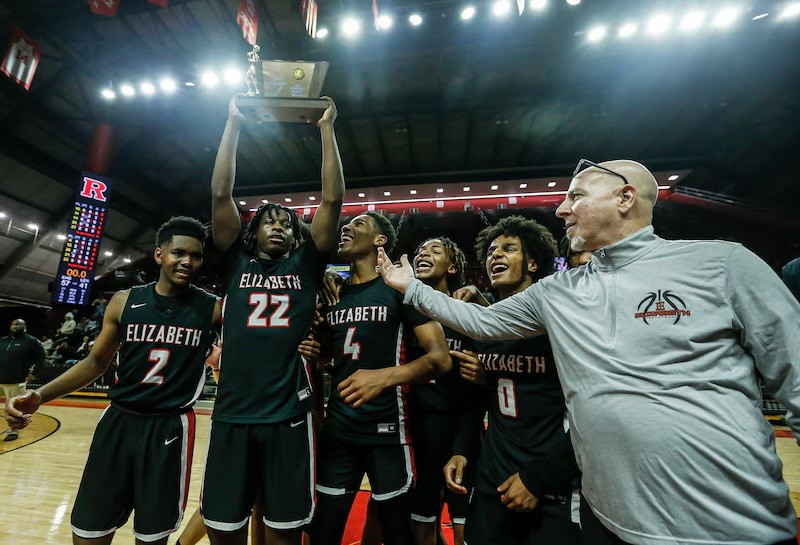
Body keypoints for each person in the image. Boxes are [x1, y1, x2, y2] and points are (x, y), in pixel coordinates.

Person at [378, 159, 800, 545]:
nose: (562, 209)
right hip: (609, 522)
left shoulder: (721, 263)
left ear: (625, 197)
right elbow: (483, 323)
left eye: (575, 196)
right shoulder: (557, 291)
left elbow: (795, 378)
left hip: (734, 527)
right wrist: (410, 287)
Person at [5, 216, 221, 545]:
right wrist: (40, 395)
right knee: (89, 530)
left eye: (196, 255)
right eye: (179, 252)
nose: (187, 261)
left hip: (170, 426)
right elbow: (95, 361)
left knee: (152, 536)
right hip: (119, 420)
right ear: (160, 254)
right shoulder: (124, 300)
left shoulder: (213, 309)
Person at [202, 94, 344, 545]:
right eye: (269, 220)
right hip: (232, 413)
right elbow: (221, 193)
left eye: (286, 221)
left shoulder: (305, 265)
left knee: (284, 530)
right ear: (253, 230)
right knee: (224, 528)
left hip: (288, 414)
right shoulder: (235, 261)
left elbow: (333, 199)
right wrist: (233, 125)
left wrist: (326, 129)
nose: (279, 226)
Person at [309, 213, 451, 545]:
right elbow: (333, 355)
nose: (346, 228)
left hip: (389, 433)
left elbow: (440, 358)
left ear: (379, 240)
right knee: (322, 534)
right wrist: (317, 348)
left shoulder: (399, 290)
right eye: (346, 224)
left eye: (358, 225)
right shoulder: (334, 294)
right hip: (339, 432)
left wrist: (383, 378)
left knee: (398, 535)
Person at [443, 216, 581, 545]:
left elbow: (590, 412)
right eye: (490, 250)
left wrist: (541, 479)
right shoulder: (484, 324)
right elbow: (476, 402)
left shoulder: (559, 320)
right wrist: (462, 450)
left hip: (550, 478)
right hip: (494, 473)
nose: (495, 255)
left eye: (508, 248)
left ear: (532, 262)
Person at [0, 318, 45, 441]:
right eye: (14, 324)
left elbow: (42, 357)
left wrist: (34, 373)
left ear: (24, 327)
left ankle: (13, 431)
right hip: (0, 377)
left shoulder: (31, 341)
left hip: (16, 379)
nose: (15, 326)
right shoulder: (3, 341)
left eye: (19, 324)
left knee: (14, 407)